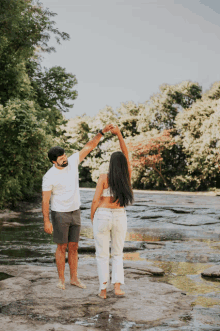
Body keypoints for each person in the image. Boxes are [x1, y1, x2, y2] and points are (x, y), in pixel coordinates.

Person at [42, 124, 115, 290]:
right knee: (62, 247)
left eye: (64, 155)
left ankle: (74, 279)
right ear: (54, 161)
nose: (64, 159)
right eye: (60, 158)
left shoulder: (73, 161)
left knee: (74, 246)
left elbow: (89, 146)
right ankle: (61, 280)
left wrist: (102, 132)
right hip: (59, 213)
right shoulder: (49, 176)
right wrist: (47, 221)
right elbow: (45, 201)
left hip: (75, 211)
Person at [91, 125, 134, 299]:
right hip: (119, 216)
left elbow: (95, 200)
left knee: (101, 254)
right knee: (117, 253)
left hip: (102, 214)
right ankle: (117, 288)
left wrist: (92, 215)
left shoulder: (103, 177)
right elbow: (126, 154)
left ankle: (102, 290)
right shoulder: (127, 176)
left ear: (110, 164)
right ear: (123, 164)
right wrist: (119, 135)